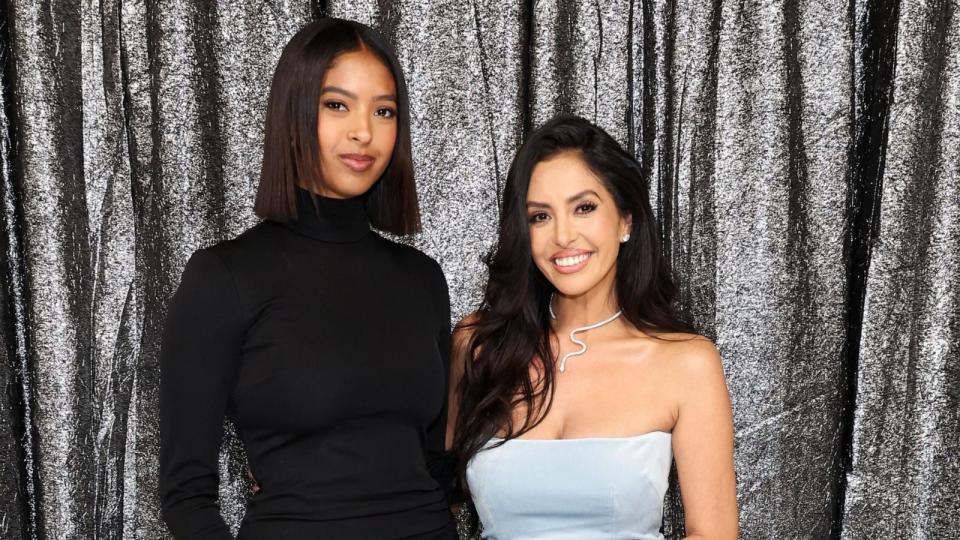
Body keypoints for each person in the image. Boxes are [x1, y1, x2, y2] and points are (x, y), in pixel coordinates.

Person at [159, 18, 457, 539]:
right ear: (293, 112)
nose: (363, 131)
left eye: (383, 110)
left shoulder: (422, 279)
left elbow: (433, 465)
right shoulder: (224, 277)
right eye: (337, 104)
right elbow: (186, 493)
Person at [447, 116, 738, 539]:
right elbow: (430, 496)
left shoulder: (686, 362)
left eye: (584, 208)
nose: (563, 235)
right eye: (540, 216)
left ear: (626, 220)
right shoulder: (478, 345)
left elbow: (713, 534)